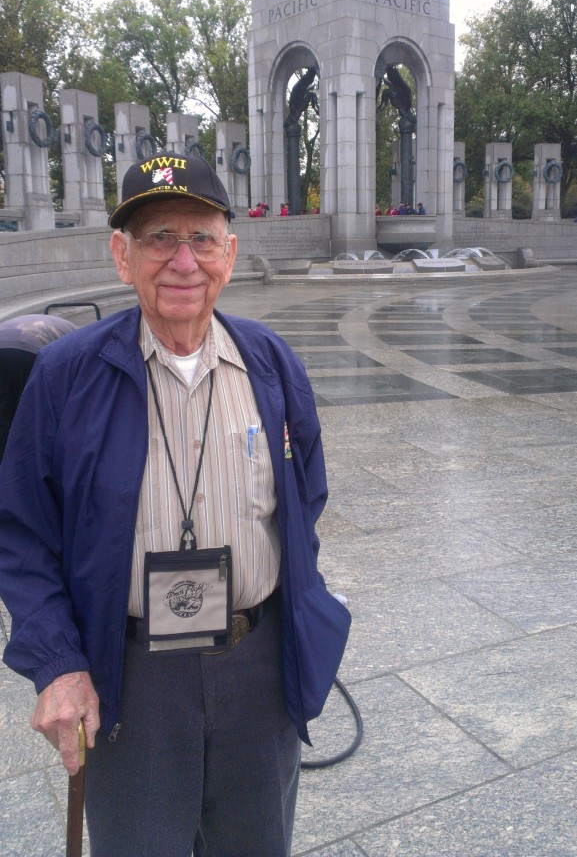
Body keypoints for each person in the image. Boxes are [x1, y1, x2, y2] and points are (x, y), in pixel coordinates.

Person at [0, 153, 350, 857]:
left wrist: (304, 625)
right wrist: (60, 664)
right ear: (121, 256)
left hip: (257, 664)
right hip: (128, 676)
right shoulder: (67, 375)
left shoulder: (272, 362)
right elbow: (21, 535)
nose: (181, 260)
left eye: (200, 238)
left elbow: (302, 499)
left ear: (229, 252)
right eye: (158, 237)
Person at [0, 312, 77, 459]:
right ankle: (26, 457)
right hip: (32, 349)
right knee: (36, 407)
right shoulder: (83, 338)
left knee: (5, 406)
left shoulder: (66, 330)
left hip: (5, 344)